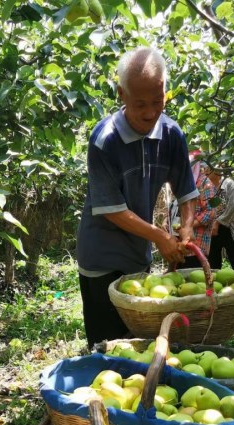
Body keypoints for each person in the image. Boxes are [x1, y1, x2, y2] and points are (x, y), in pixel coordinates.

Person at [76, 47, 199, 348]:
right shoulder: (105, 140)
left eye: (157, 102)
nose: (149, 112)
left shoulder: (171, 135)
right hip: (101, 259)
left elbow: (187, 190)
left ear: (166, 93)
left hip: (137, 257)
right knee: (107, 346)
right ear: (121, 94)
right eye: (140, 103)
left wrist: (188, 226)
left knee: (138, 344)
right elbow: (111, 209)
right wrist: (159, 236)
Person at [178, 158, 219, 269]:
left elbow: (210, 212)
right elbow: (175, 206)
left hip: (197, 243)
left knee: (194, 275)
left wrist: (188, 226)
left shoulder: (205, 184)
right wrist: (166, 221)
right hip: (179, 243)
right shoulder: (182, 184)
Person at [205, 163, 234, 272]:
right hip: (212, 231)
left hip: (229, 228)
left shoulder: (228, 184)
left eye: (208, 169)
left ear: (217, 171)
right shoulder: (206, 186)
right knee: (213, 265)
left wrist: (218, 222)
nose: (205, 171)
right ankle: (214, 288)